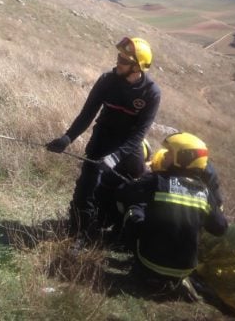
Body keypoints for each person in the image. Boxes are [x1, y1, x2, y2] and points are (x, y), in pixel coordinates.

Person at [45, 37, 161, 240]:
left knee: (130, 190)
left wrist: (116, 157)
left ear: (137, 67)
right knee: (86, 190)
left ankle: (118, 232)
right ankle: (79, 232)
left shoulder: (151, 93)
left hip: (128, 146)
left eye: (124, 60)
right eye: (119, 57)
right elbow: (87, 114)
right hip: (102, 138)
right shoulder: (107, 80)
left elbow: (139, 133)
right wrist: (67, 138)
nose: (118, 62)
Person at [117, 132, 228, 299]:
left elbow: (124, 192)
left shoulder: (158, 180)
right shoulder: (205, 192)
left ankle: (138, 264)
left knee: (132, 208)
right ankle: (175, 281)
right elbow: (220, 228)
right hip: (185, 268)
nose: (165, 156)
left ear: (183, 158)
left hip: (150, 262)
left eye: (170, 153)